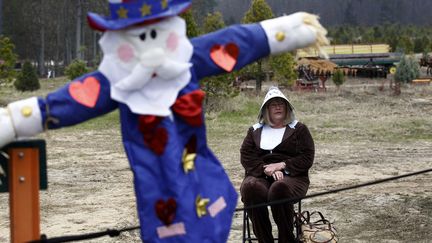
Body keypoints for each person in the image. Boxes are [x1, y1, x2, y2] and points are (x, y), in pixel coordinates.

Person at [0, 0, 327, 241]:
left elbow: (235, 43)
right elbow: (70, 101)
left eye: (155, 34)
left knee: (209, 219)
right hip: (155, 187)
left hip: (201, 175)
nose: (151, 52)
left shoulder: (186, 60)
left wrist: (283, 31)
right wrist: (14, 120)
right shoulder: (115, 83)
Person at [240, 86, 315, 243]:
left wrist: (283, 165)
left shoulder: (299, 129)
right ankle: (265, 240)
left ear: (287, 107)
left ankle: (286, 239)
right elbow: (246, 156)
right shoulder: (254, 131)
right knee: (251, 188)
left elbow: (307, 157)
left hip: (293, 178)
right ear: (266, 109)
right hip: (260, 175)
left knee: (279, 188)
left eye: (281, 103)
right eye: (273, 104)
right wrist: (265, 169)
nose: (278, 106)